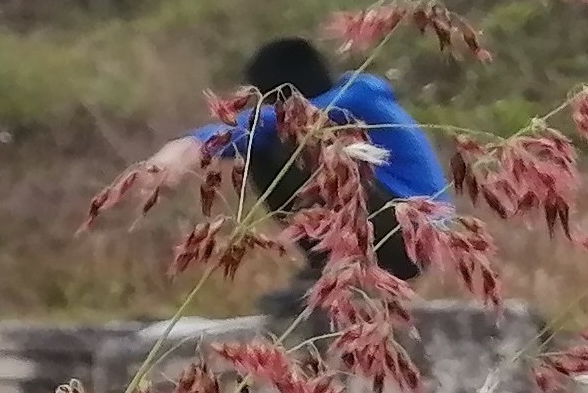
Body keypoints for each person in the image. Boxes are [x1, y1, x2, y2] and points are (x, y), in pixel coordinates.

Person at [189, 35, 450, 309]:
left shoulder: (355, 99)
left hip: (411, 234)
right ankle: (329, 272)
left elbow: (268, 123)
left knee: (282, 144)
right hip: (392, 227)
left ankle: (349, 276)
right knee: (265, 146)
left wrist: (193, 143)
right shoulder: (347, 100)